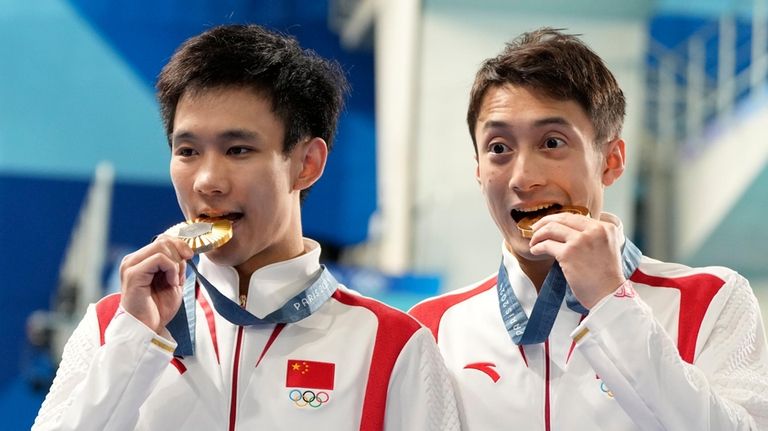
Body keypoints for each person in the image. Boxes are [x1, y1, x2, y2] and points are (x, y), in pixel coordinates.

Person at [33, 24, 458, 431]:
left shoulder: (393, 345)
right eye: (187, 151)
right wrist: (134, 341)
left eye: (238, 149)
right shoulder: (113, 324)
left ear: (306, 163)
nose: (207, 181)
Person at [410, 27, 768, 430]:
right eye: (498, 149)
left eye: (552, 142)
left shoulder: (711, 300)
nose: (523, 178)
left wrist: (612, 303)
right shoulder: (433, 326)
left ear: (611, 161)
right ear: (478, 171)